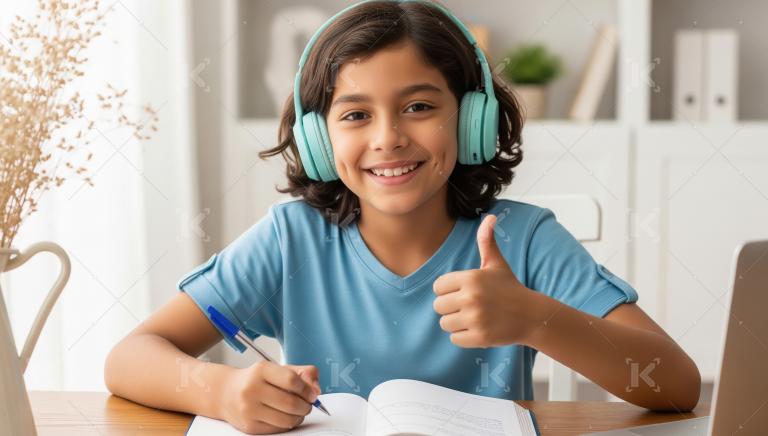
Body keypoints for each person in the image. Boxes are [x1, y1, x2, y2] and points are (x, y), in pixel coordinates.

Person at [105, 1, 701, 434]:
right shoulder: (290, 240)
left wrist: (536, 318)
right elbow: (129, 358)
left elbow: (676, 385)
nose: (389, 138)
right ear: (318, 139)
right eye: (356, 114)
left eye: (419, 106)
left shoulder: (523, 239)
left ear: (472, 121)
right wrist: (222, 390)